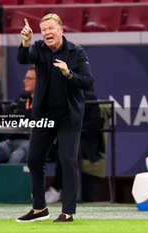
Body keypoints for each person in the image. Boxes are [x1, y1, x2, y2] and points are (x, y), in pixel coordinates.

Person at [16, 14, 94, 222]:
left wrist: (69, 73)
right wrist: (26, 42)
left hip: (69, 116)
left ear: (61, 29)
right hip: (44, 115)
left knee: (68, 161)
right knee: (34, 160)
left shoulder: (76, 52)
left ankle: (67, 212)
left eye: (51, 28)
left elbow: (87, 82)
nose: (47, 33)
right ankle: (39, 208)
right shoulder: (39, 48)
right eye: (44, 30)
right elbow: (23, 58)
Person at [45, 91, 104, 203]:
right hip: (58, 140)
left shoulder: (89, 98)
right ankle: (39, 193)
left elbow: (95, 123)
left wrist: (70, 128)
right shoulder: (57, 97)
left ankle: (57, 189)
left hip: (84, 142)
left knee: (67, 150)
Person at [0, 65, 35, 163]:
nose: (25, 81)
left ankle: (10, 179)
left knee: (16, 157)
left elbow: (36, 117)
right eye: (25, 78)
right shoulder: (21, 99)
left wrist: (18, 112)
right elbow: (6, 116)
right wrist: (24, 115)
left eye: (29, 78)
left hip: (32, 142)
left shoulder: (45, 100)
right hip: (11, 141)